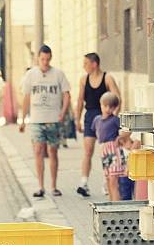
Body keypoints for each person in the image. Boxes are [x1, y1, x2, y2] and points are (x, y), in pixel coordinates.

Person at [19, 45, 71, 198]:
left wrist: (63, 112)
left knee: (53, 151)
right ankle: (40, 186)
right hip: (36, 120)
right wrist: (23, 120)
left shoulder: (58, 74)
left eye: (48, 59)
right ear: (38, 59)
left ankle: (54, 186)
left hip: (53, 119)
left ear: (51, 58)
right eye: (42, 59)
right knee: (38, 151)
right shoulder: (30, 75)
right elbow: (26, 97)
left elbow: (67, 94)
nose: (45, 62)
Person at [75, 52, 121, 198]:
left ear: (94, 64)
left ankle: (106, 182)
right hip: (90, 115)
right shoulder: (84, 79)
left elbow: (118, 98)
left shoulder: (107, 78)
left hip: (105, 117)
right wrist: (77, 119)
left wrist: (113, 115)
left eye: (86, 63)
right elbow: (80, 100)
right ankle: (84, 183)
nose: (84, 66)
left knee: (107, 151)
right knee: (88, 151)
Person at [93, 91, 125, 202]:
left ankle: (117, 204)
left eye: (111, 107)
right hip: (103, 150)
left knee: (113, 179)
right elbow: (95, 132)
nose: (107, 109)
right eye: (105, 106)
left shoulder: (115, 120)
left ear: (115, 108)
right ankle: (111, 202)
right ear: (101, 105)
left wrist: (119, 138)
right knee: (107, 179)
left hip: (113, 150)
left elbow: (127, 130)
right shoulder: (97, 119)